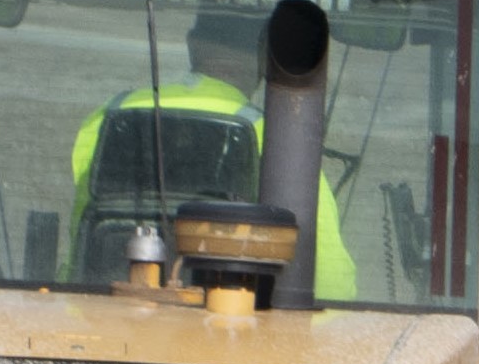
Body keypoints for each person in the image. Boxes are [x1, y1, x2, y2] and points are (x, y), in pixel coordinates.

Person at [66, 16, 362, 298]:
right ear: (263, 57)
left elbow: (80, 243)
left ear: (192, 44)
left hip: (110, 312)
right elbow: (329, 278)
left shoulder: (107, 117)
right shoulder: (272, 135)